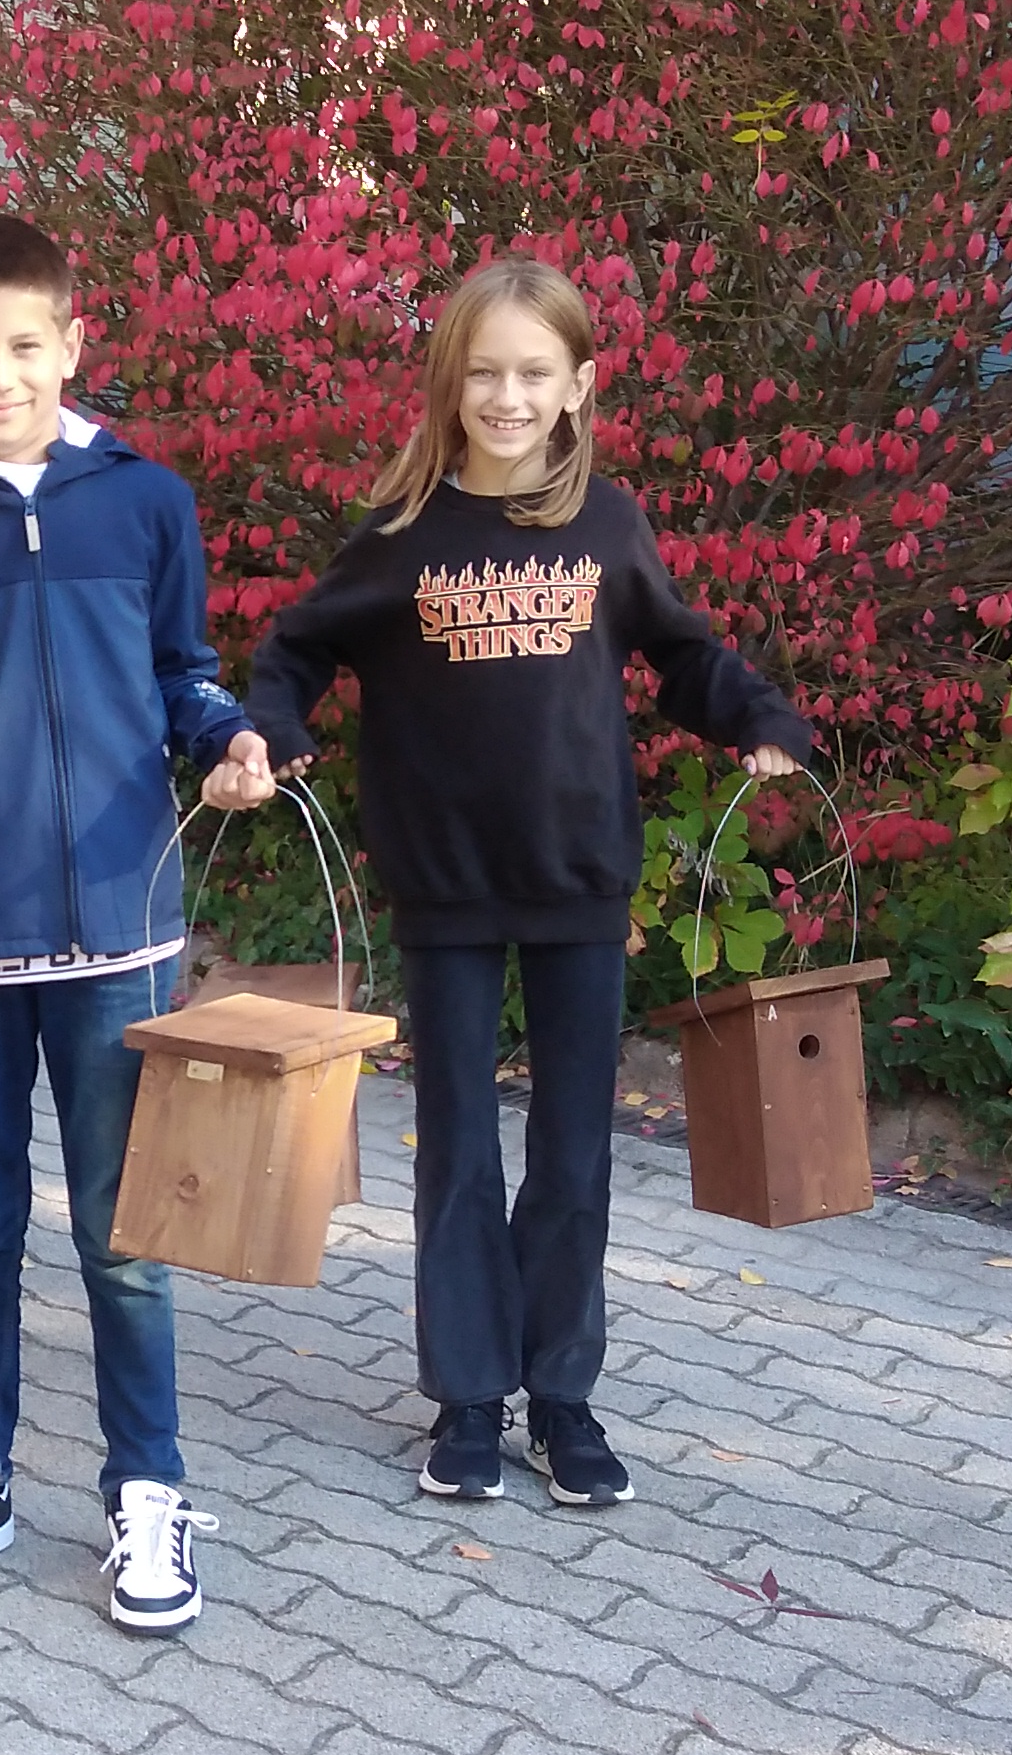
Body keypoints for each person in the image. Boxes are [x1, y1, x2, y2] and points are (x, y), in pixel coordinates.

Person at [245, 255, 811, 1505]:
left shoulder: (605, 524)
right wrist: (264, 731)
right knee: (455, 1146)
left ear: (577, 385)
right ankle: (465, 1394)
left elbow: (683, 653)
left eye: (532, 373)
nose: (506, 397)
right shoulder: (398, 537)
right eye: (483, 372)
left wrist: (758, 716)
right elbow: (291, 650)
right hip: (444, 884)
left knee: (570, 1153)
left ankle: (560, 1396)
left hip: (576, 880)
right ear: (448, 383)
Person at [0, 215, 278, 1635]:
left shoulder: (143, 504)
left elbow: (183, 675)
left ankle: (149, 1487)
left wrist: (229, 738)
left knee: (125, 1240)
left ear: (73, 344)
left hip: (121, 942)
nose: (1, 374)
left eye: (26, 345)